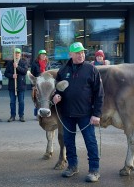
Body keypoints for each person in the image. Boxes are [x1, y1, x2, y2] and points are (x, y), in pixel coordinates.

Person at [52, 42, 104, 182]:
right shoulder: (62, 71)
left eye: (82, 52)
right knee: (69, 142)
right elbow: (58, 90)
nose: (81, 55)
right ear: (71, 54)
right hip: (67, 114)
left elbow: (99, 94)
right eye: (77, 52)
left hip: (86, 114)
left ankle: (94, 170)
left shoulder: (91, 70)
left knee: (90, 142)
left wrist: (96, 114)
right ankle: (72, 166)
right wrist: (55, 96)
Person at [4, 48, 29, 122]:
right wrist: (12, 75)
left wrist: (17, 66)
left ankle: (21, 115)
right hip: (12, 86)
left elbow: (24, 71)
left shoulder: (23, 62)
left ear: (20, 54)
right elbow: (6, 73)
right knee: (12, 102)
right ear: (13, 54)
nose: (17, 54)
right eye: (15, 53)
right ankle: (12, 116)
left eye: (18, 53)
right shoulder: (9, 63)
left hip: (21, 85)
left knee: (21, 101)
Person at [31, 49, 48, 117]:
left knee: (45, 98)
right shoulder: (35, 63)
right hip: (37, 84)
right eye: (42, 54)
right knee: (37, 98)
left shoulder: (47, 63)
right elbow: (32, 75)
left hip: (46, 84)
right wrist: (33, 85)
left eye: (44, 54)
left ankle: (45, 112)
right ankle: (37, 112)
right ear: (39, 55)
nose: (44, 56)